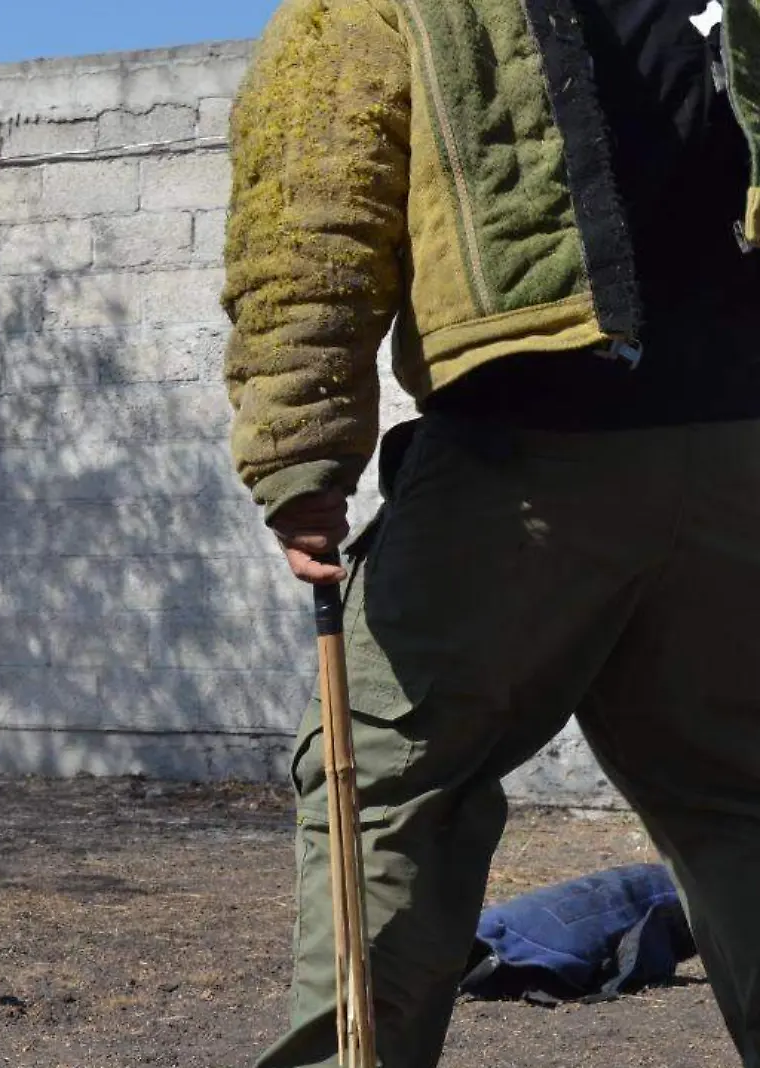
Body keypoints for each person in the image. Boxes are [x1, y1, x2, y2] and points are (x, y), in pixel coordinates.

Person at [222, 2, 760, 1065]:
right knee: (741, 801)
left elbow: (312, 206)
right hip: (740, 453)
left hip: (529, 455)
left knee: (379, 784)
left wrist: (299, 453)